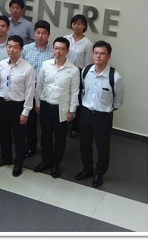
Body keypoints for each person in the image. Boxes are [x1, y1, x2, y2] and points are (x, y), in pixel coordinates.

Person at [75, 41, 124, 189]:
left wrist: (105, 109)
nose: (98, 56)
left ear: (108, 56)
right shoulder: (85, 71)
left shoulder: (115, 77)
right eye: (96, 53)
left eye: (102, 53)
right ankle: (87, 168)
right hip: (85, 113)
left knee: (102, 147)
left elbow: (118, 101)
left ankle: (99, 173)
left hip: (103, 116)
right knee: (84, 143)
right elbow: (82, 90)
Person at [33, 37, 80, 178]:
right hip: (46, 105)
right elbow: (39, 85)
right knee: (45, 135)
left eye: (62, 49)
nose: (58, 51)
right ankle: (45, 161)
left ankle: (55, 164)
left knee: (60, 138)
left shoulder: (73, 70)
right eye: (56, 48)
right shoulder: (46, 64)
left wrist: (72, 111)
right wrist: (37, 104)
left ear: (67, 51)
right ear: (53, 49)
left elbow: (75, 92)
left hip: (62, 108)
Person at [0, 35, 35, 177]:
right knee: (3, 133)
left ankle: (19, 162)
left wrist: (26, 112)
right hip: (3, 103)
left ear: (21, 49)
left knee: (19, 136)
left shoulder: (28, 68)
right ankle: (5, 157)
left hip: (18, 105)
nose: (11, 49)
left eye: (15, 47)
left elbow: (30, 92)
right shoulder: (2, 64)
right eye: (9, 46)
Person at [21, 20, 54, 158]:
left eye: (43, 33)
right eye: (37, 33)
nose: (40, 36)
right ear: (34, 33)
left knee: (46, 122)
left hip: (47, 89)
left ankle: (47, 150)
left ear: (49, 35)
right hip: (28, 88)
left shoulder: (54, 51)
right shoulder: (26, 49)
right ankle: (31, 146)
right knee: (30, 120)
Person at [64, 14, 93, 138]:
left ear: (84, 26)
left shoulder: (87, 44)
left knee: (76, 101)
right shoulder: (66, 38)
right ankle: (61, 123)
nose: (76, 26)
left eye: (80, 23)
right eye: (74, 23)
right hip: (64, 71)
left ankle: (75, 127)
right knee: (63, 97)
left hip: (78, 73)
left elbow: (87, 64)